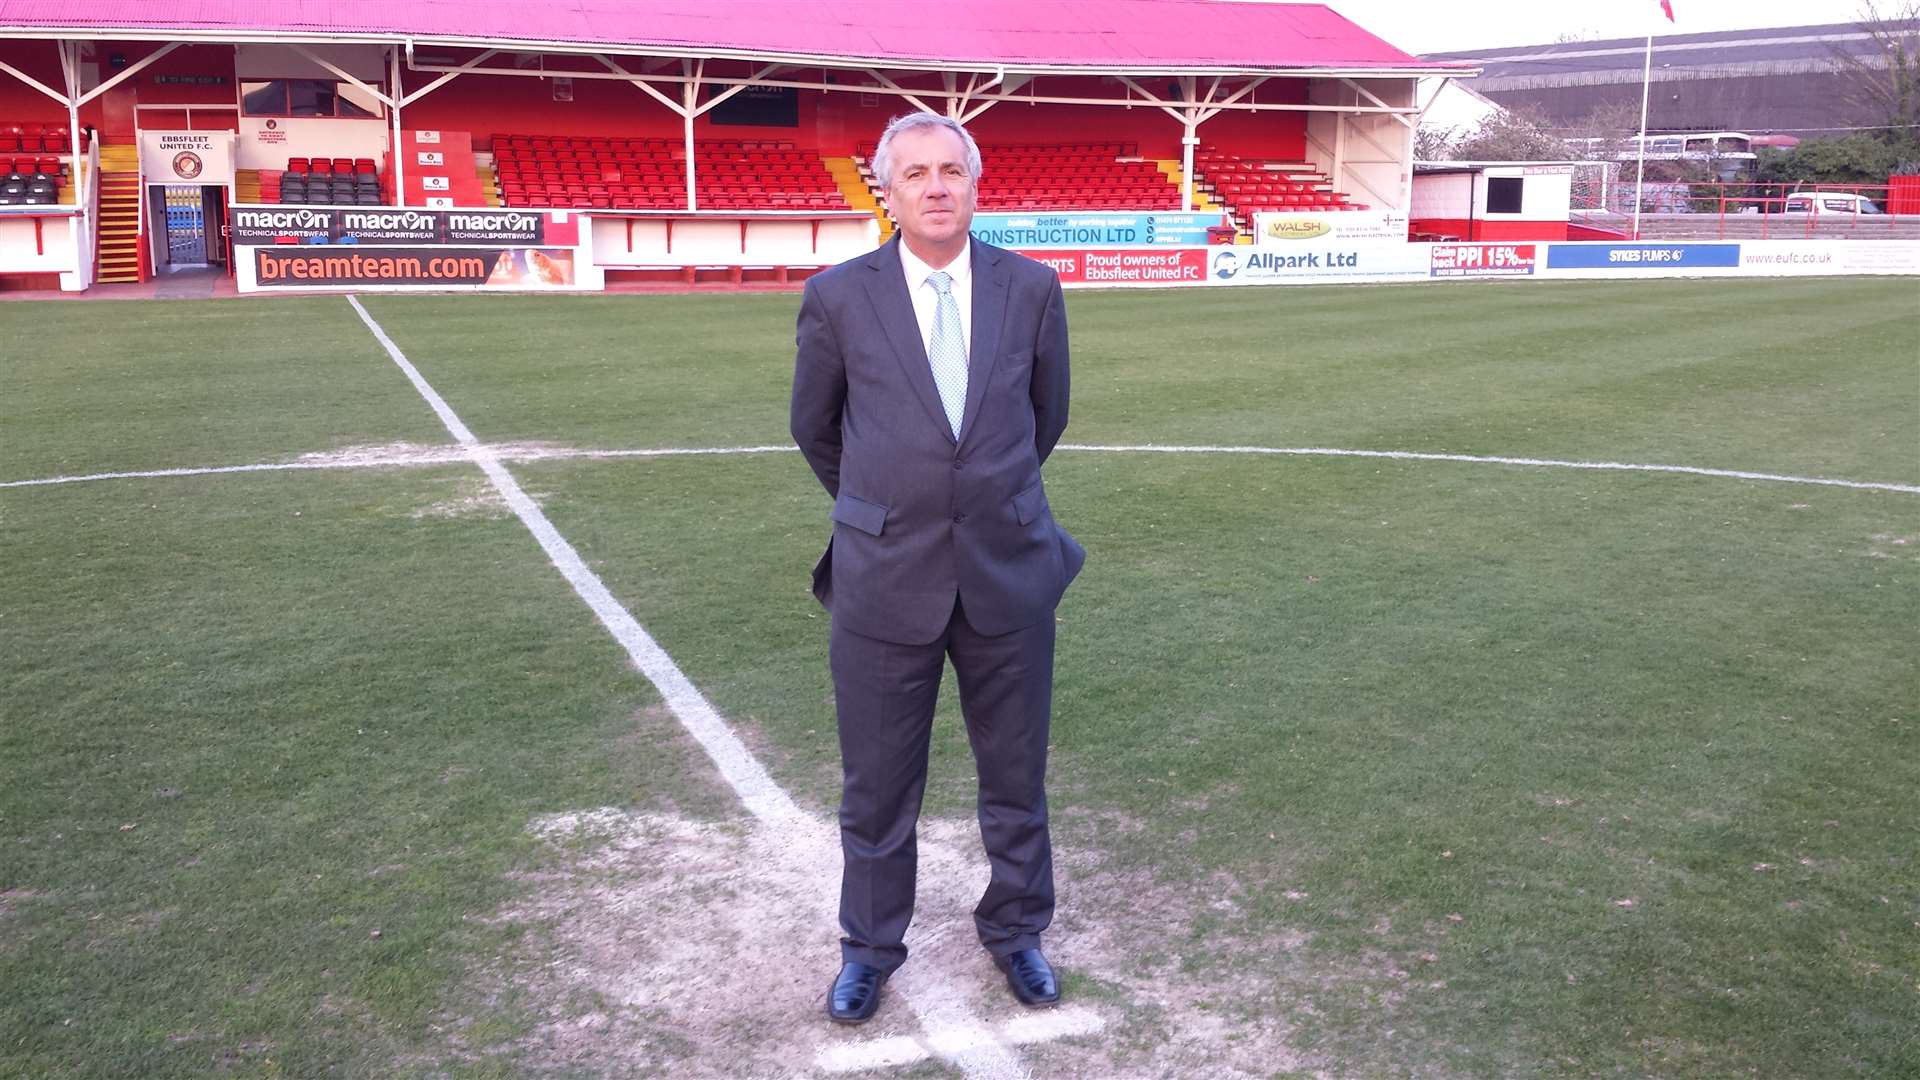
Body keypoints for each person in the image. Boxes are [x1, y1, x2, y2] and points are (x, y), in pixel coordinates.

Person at [790, 112, 1085, 1024]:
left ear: (974, 181)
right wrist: (888, 505)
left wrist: (979, 499)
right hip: (885, 578)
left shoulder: (1031, 288)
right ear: (889, 188)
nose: (935, 186)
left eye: (950, 169)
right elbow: (815, 425)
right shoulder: (839, 295)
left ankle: (1018, 933)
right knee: (877, 788)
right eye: (914, 172)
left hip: (1008, 570)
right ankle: (870, 949)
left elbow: (1047, 416)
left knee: (1016, 777)